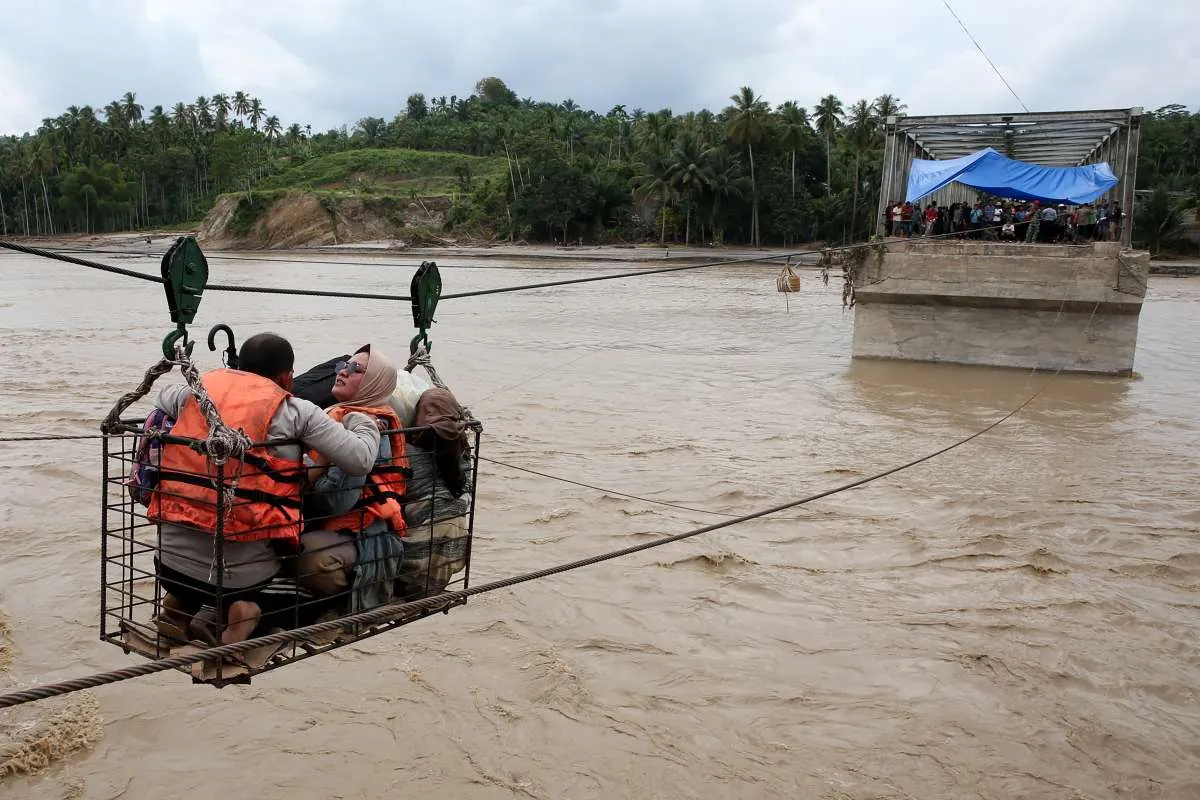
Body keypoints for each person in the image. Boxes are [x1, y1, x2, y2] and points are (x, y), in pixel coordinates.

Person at [148, 332, 381, 645]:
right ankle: (247, 613)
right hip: (238, 583)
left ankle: (179, 608)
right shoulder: (297, 411)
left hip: (167, 568)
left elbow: (162, 397)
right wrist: (362, 421)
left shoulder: (196, 394)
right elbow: (361, 459)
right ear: (287, 377)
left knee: (203, 554)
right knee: (305, 588)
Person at [297, 345, 409, 614]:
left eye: (356, 369)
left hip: (363, 536)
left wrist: (311, 471)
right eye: (343, 365)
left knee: (301, 556)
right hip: (334, 529)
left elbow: (334, 502)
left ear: (374, 383)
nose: (343, 371)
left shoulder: (368, 429)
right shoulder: (336, 414)